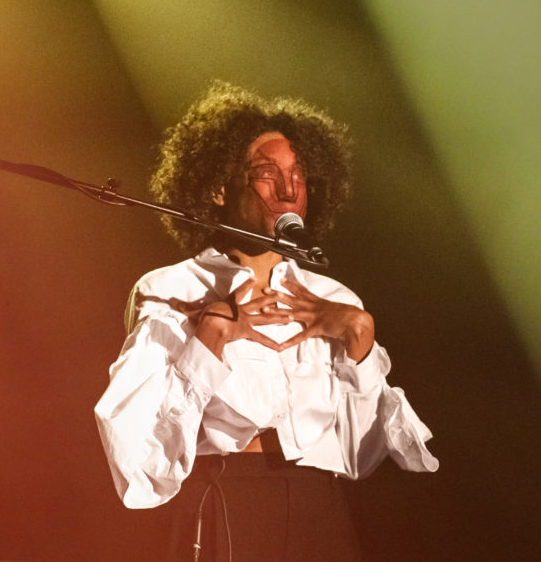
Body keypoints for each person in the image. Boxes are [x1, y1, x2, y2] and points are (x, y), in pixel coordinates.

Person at [94, 82, 438, 561]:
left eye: (298, 175)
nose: (288, 189)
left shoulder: (335, 300)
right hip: (226, 496)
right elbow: (137, 453)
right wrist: (208, 341)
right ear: (217, 189)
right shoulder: (174, 289)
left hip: (319, 508)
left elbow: (359, 458)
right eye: (265, 173)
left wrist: (360, 338)